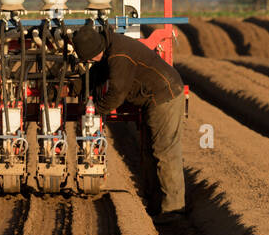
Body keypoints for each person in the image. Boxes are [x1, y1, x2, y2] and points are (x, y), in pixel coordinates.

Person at [70, 24, 187, 224]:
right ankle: (155, 205)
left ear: (94, 52)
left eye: (89, 59)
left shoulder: (119, 56)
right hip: (152, 98)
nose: (89, 62)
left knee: (164, 152)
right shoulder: (110, 46)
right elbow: (97, 74)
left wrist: (95, 112)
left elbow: (117, 92)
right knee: (149, 152)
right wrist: (72, 87)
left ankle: (174, 210)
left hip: (164, 96)